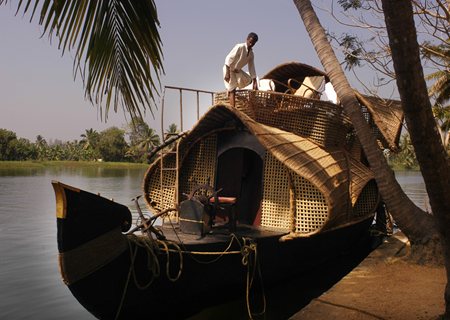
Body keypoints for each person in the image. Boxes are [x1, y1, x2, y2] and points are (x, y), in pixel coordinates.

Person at [223, 32, 259, 107]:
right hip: (229, 68)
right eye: (250, 42)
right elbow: (228, 58)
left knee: (249, 80)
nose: (251, 44)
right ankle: (233, 109)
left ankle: (230, 88)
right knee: (232, 90)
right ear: (247, 39)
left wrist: (255, 82)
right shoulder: (240, 47)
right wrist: (227, 73)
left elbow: (251, 67)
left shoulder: (251, 54)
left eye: (253, 43)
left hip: (237, 71)